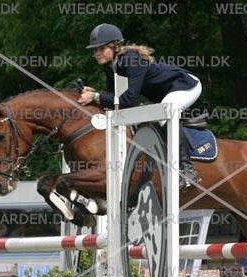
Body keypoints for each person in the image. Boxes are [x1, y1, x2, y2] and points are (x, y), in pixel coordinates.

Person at [78, 23, 202, 190]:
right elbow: (114, 99)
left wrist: (95, 97)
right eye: (94, 50)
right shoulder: (111, 66)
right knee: (159, 111)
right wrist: (95, 94)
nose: (96, 53)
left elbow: (127, 100)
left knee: (164, 115)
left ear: (115, 46)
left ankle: (187, 170)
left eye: (101, 49)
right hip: (167, 94)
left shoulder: (130, 59)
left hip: (185, 85)